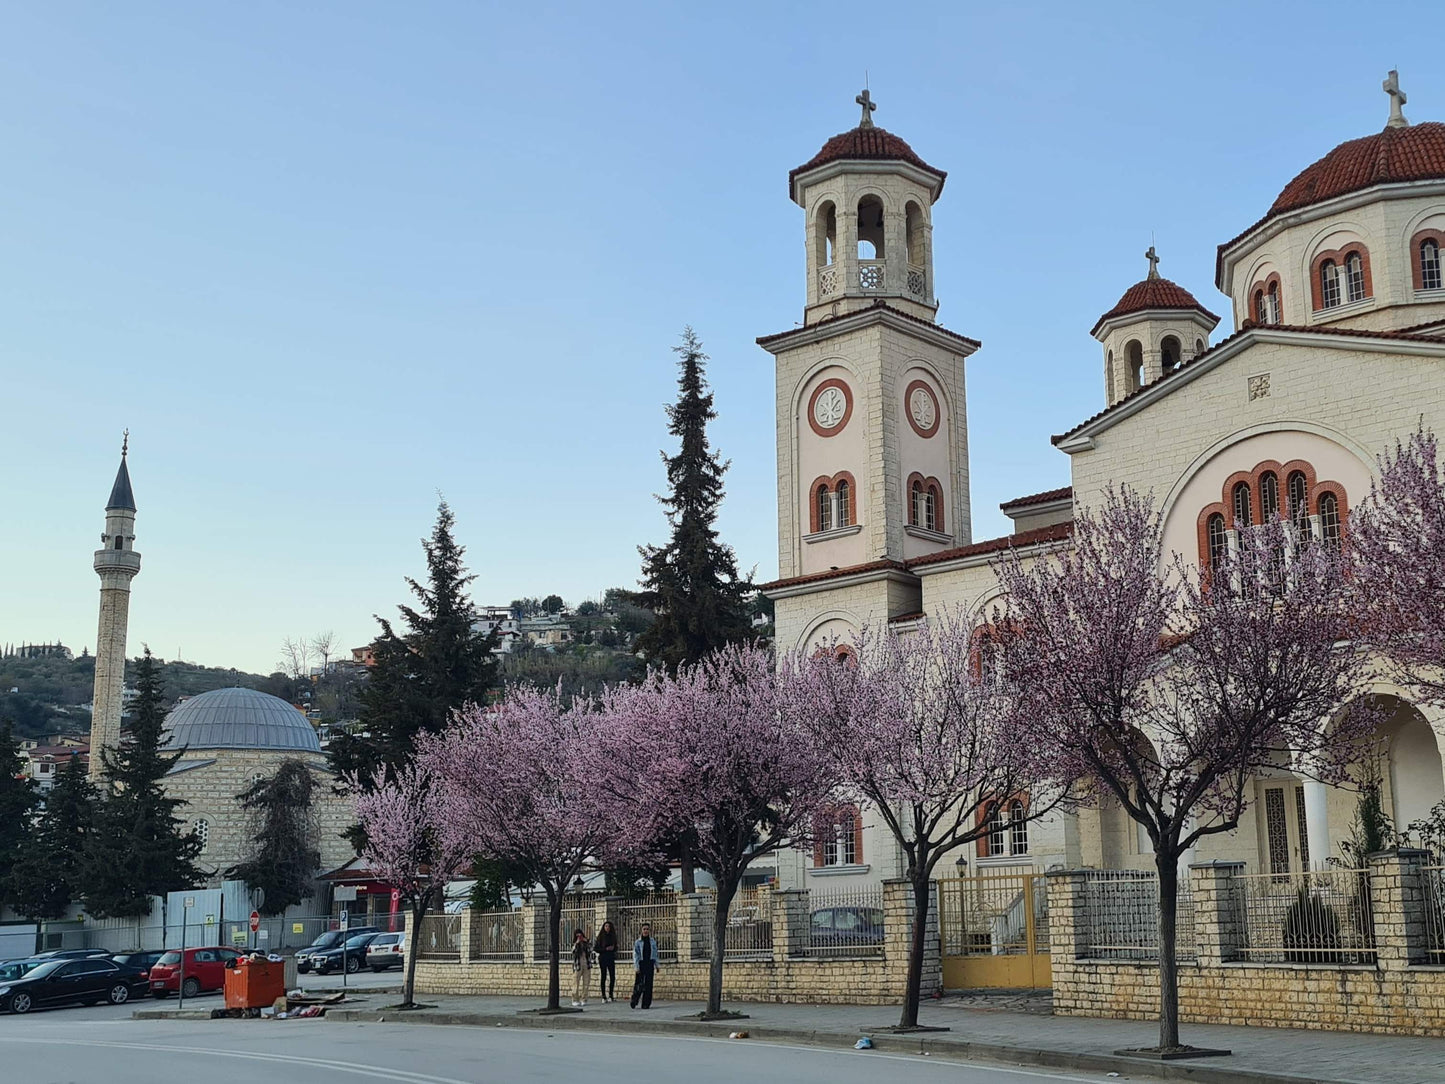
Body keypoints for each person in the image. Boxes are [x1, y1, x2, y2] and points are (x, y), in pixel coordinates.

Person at [630, 922, 659, 1009]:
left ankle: (646, 1003)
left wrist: (657, 965)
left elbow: (655, 954)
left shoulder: (652, 941)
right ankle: (634, 1000)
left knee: (648, 984)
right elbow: (636, 955)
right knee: (639, 984)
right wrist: (636, 967)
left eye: (647, 929)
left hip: (649, 963)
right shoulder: (638, 942)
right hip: (641, 964)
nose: (645, 931)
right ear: (641, 930)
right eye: (644, 929)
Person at [594, 920, 619, 1002]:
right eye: (606, 926)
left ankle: (611, 994)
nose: (607, 928)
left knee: (612, 976)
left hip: (611, 957)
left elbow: (616, 947)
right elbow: (596, 948)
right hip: (603, 958)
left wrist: (613, 948)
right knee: (603, 976)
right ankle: (603, 995)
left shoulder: (613, 936)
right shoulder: (601, 937)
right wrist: (605, 949)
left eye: (608, 926)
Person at [570, 928, 593, 1007]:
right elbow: (573, 952)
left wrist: (586, 942)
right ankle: (575, 999)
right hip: (578, 965)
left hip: (586, 964)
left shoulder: (586, 942)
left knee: (586, 983)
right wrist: (577, 943)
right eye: (577, 935)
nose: (579, 937)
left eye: (580, 935)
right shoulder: (574, 943)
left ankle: (584, 999)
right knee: (575, 983)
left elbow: (591, 950)